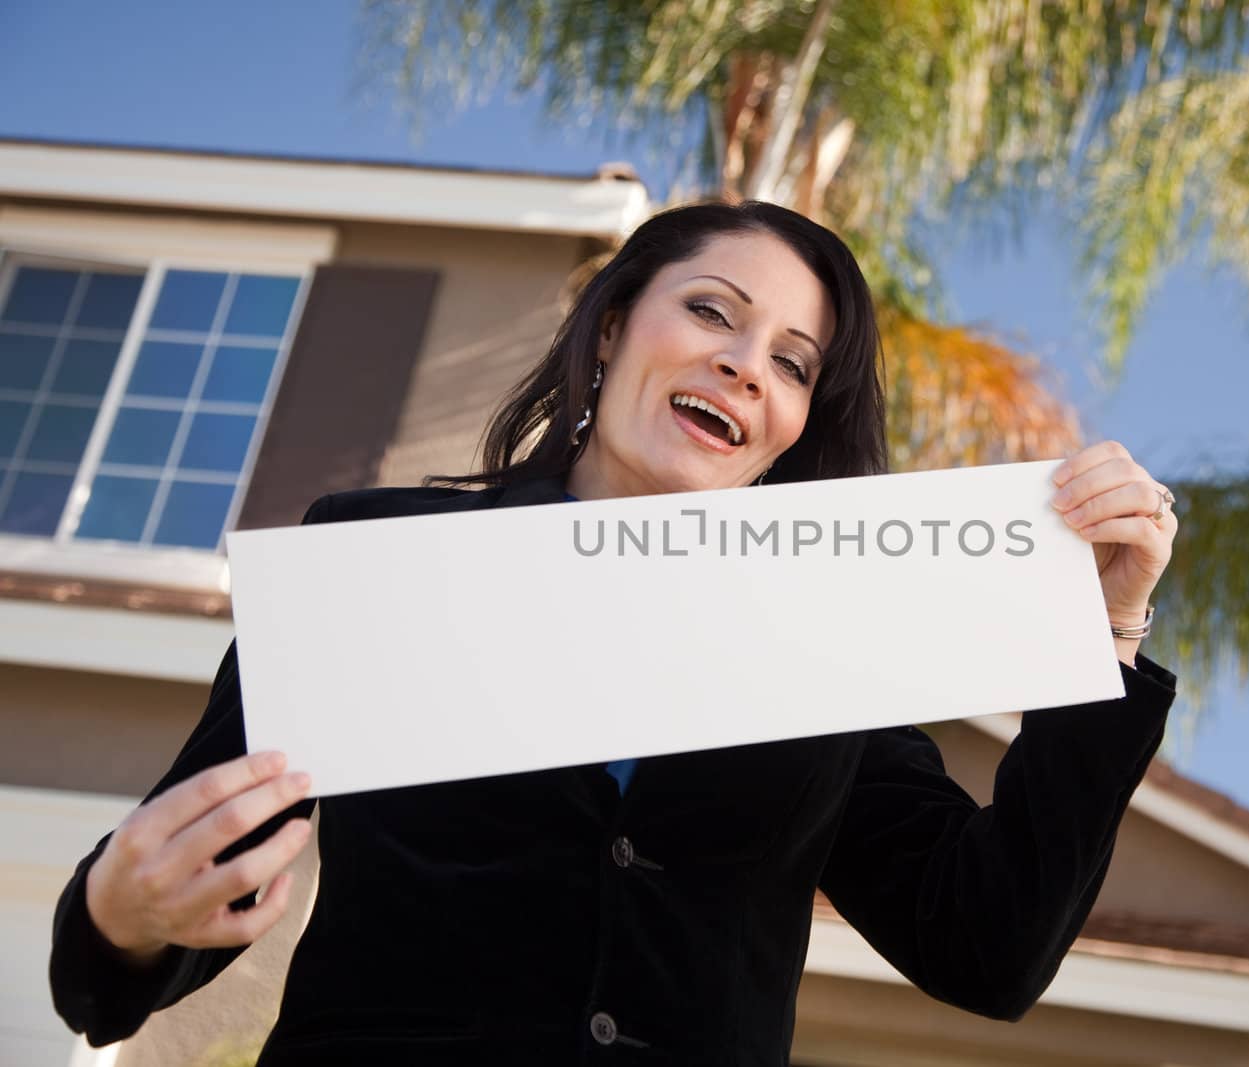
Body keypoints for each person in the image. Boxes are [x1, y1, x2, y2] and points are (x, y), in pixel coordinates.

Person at [50, 201, 1179, 1064]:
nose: (746, 363)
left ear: (791, 427)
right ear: (609, 329)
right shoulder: (381, 565)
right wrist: (123, 914)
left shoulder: (829, 645)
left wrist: (1110, 627)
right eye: (711, 311)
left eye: (792, 363)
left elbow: (986, 947)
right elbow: (139, 935)